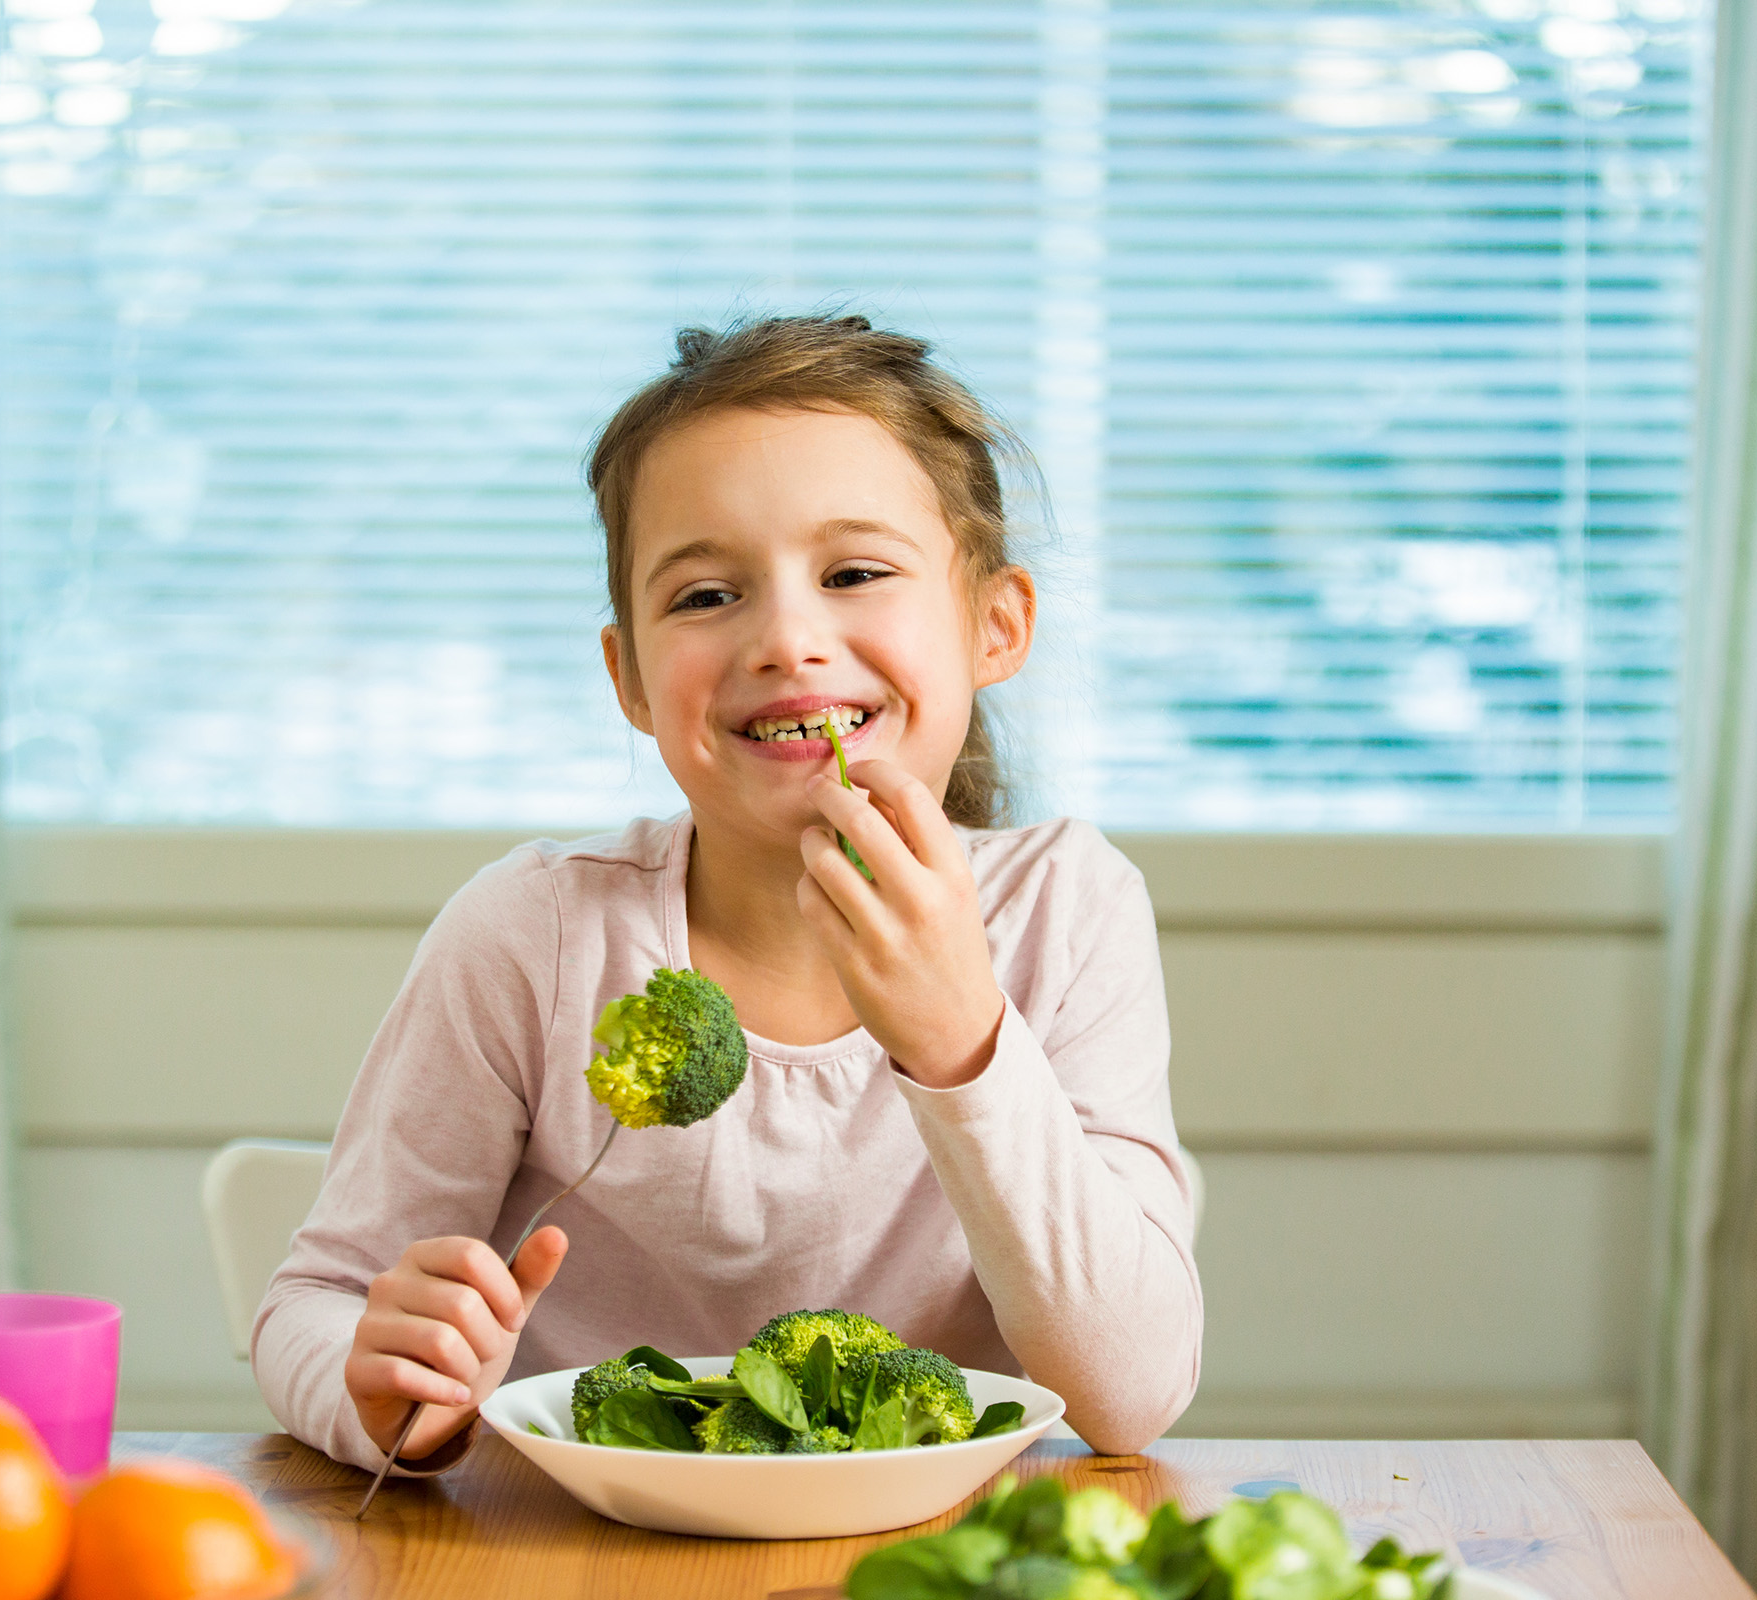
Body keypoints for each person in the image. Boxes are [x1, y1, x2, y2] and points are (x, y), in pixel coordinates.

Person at [251, 314, 1201, 1476]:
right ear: (631, 677)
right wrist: (388, 1387)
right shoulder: (533, 935)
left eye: (854, 573)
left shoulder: (1068, 909)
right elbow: (317, 1301)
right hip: (575, 1556)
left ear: (996, 625)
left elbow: (1134, 1394)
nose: (789, 640)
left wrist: (961, 1038)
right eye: (705, 595)